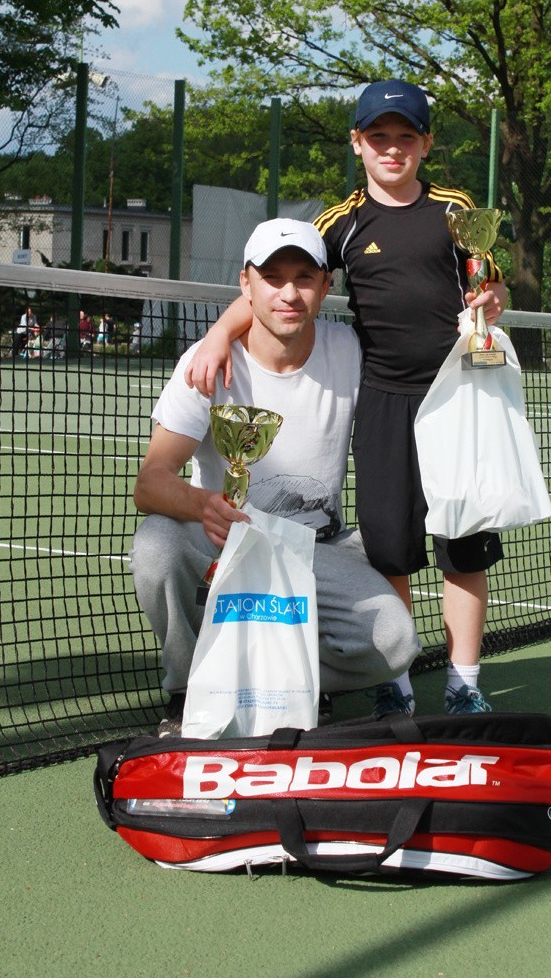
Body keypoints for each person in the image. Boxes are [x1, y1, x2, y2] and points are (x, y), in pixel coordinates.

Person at [185, 79, 508, 720]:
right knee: (391, 547)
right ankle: (399, 683)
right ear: (358, 143)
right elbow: (280, 280)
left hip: (459, 395)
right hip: (382, 400)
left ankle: (465, 683)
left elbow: (489, 286)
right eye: (379, 137)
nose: (393, 149)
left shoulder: (456, 209)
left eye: (406, 138)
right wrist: (221, 334)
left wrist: (493, 303)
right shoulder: (341, 221)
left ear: (426, 145)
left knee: (462, 546)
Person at [131, 218, 420, 736]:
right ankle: (187, 687)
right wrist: (203, 506)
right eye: (272, 277)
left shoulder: (351, 352)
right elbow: (150, 483)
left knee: (397, 643)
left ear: (326, 286)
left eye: (304, 278)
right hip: (225, 545)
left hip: (317, 551)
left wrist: (486, 299)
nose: (289, 292)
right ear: (246, 284)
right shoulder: (203, 366)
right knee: (156, 545)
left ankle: (292, 678)